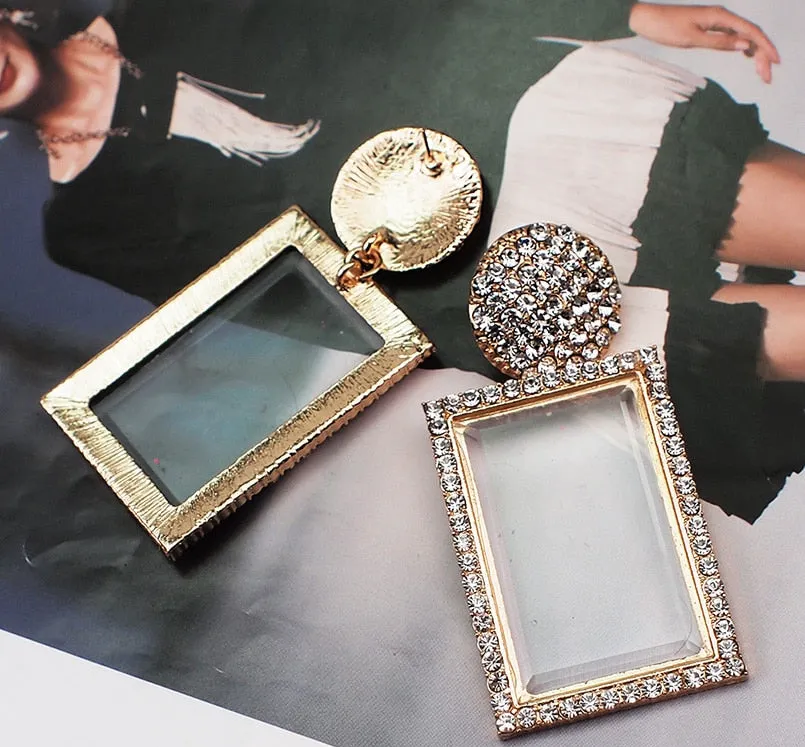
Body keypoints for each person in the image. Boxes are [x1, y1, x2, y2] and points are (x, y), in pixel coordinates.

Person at [0, 0, 801, 521]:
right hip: (493, 294)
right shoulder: (86, 228)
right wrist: (476, 340)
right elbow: (300, 309)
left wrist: (621, 10)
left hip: (545, 125)